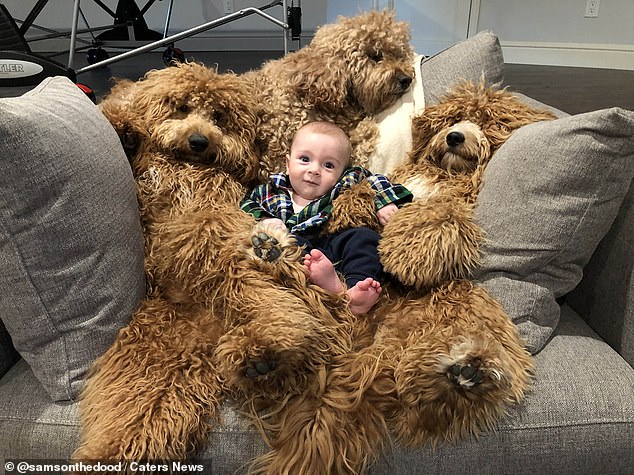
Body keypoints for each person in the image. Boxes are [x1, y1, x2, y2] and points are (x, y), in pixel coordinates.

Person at [241, 121, 412, 315]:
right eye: (305, 159)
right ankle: (327, 285)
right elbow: (245, 205)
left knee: (363, 238)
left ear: (341, 173)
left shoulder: (342, 184)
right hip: (293, 249)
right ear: (287, 164)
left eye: (328, 165)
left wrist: (384, 202)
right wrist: (264, 219)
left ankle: (354, 292)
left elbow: (374, 180)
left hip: (330, 244)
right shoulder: (270, 190)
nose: (314, 170)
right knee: (281, 246)